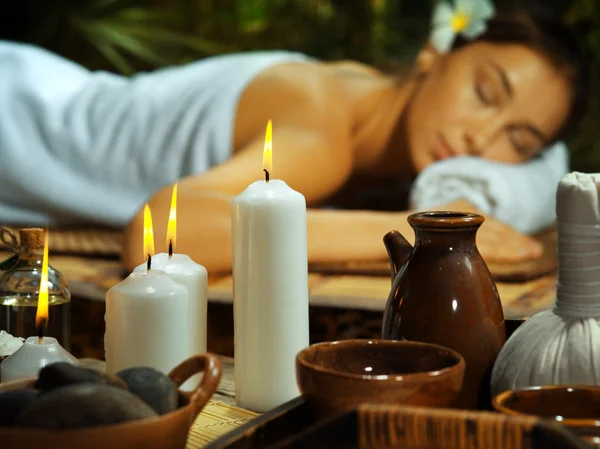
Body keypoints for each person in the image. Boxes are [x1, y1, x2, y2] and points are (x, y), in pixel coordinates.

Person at [0, 0, 588, 274]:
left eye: (520, 140)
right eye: (486, 92)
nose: (480, 139)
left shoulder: (361, 101)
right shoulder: (322, 127)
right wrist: (430, 228)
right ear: (434, 52)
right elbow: (160, 231)